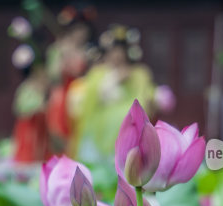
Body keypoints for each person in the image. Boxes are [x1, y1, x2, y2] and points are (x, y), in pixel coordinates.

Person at [67, 24, 156, 162]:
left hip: (128, 127)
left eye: (121, 51)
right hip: (99, 125)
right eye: (114, 51)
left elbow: (145, 98)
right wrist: (113, 80)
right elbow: (90, 98)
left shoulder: (139, 73)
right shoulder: (98, 73)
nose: (117, 55)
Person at [45, 5, 97, 155]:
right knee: (60, 134)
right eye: (77, 30)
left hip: (81, 97)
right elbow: (53, 76)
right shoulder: (57, 49)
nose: (81, 34)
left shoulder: (90, 51)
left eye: (83, 29)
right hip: (62, 96)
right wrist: (62, 57)